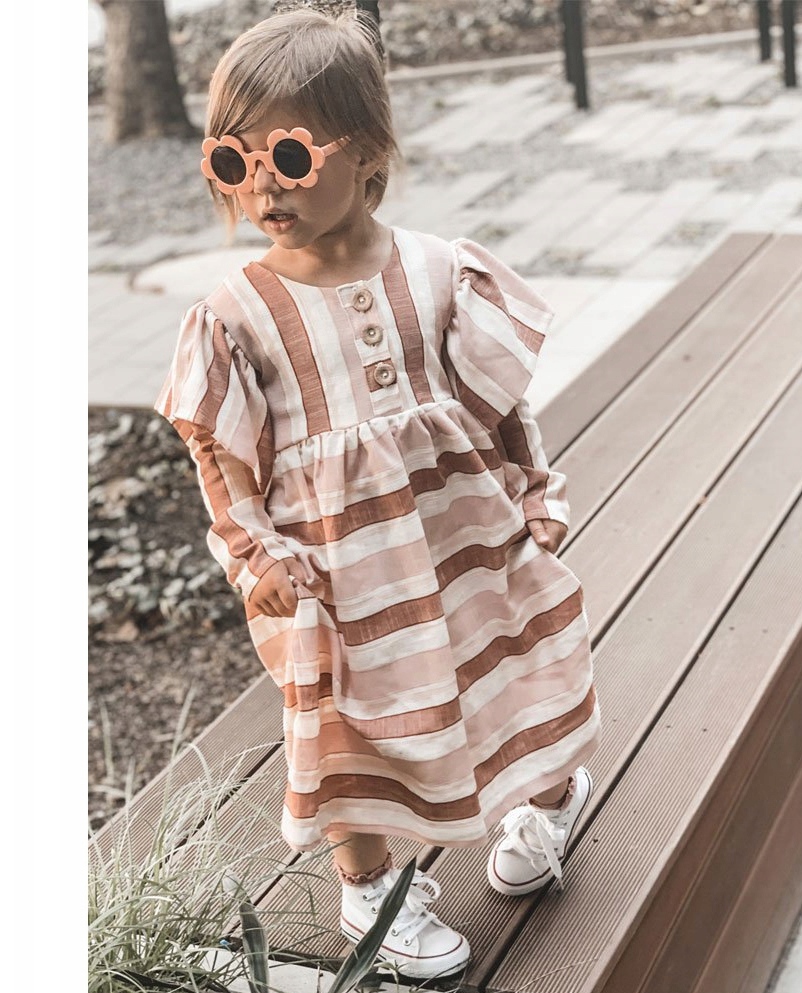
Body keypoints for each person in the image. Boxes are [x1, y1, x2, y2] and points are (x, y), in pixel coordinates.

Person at [155, 7, 602, 982]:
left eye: (288, 155)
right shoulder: (236, 316)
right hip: (332, 573)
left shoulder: (441, 272)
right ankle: (371, 888)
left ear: (366, 152)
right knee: (347, 728)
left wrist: (534, 492)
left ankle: (547, 795)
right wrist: (254, 555)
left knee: (513, 665)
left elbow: (497, 404)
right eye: (232, 162)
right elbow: (220, 458)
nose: (262, 185)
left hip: (466, 539)